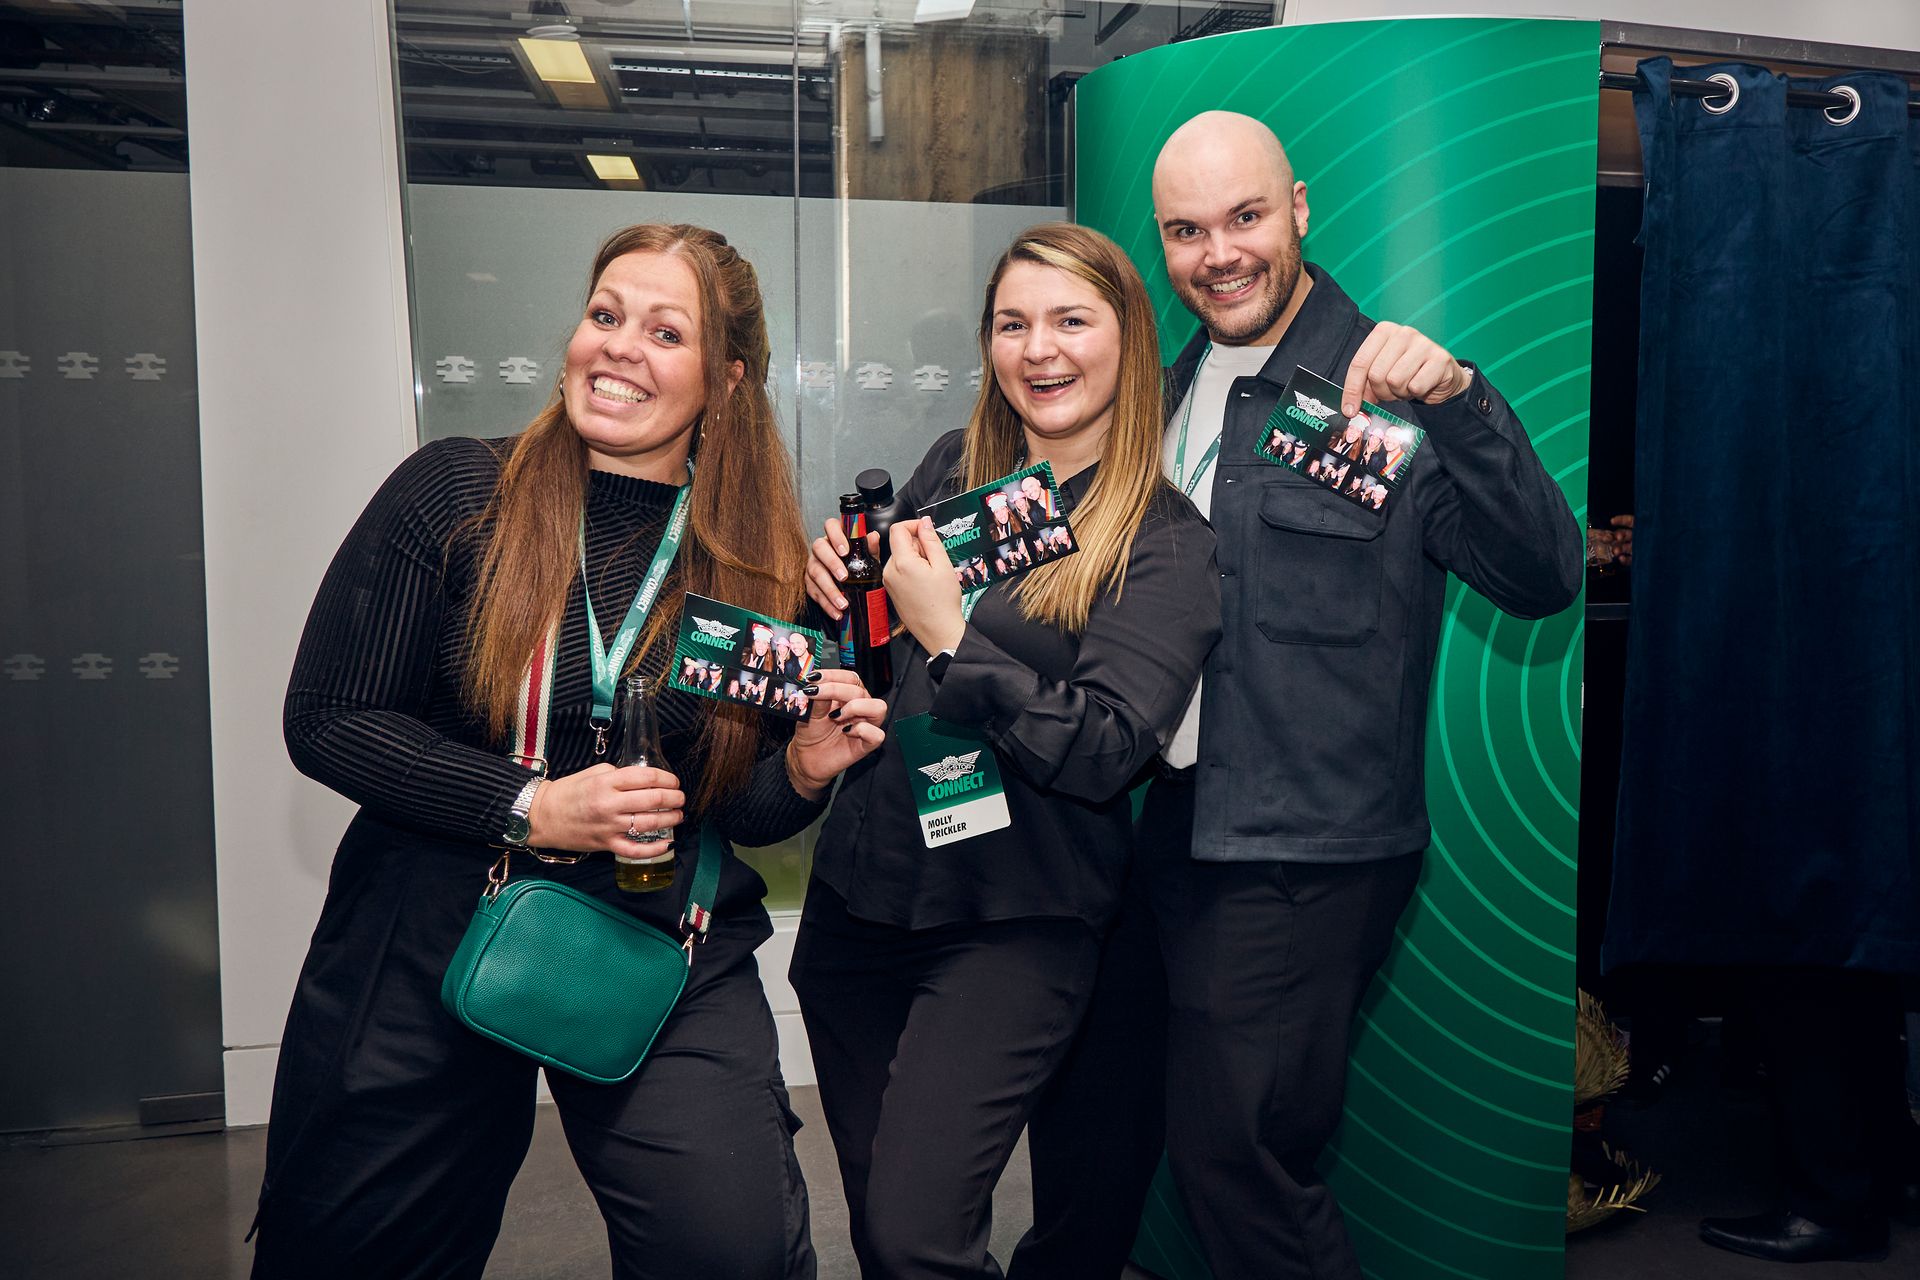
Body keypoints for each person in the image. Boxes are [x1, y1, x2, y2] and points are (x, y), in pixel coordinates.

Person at [255, 223, 888, 1280]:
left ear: (727, 380)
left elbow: (738, 808)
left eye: (666, 332)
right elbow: (329, 716)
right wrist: (532, 805)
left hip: (660, 937)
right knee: (354, 1247)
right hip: (430, 923)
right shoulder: (456, 492)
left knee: (730, 1251)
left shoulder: (756, 565)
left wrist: (805, 769)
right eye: (605, 315)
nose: (620, 347)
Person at [1011, 111, 1583, 1280]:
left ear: (1300, 209)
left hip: (1302, 850)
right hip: (1152, 824)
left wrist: (1460, 398)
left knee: (1238, 1159)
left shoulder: (1391, 388)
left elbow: (1541, 574)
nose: (1219, 253)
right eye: (1187, 230)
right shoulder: (1157, 394)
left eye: (1246, 217)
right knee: (1090, 1129)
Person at [790, 222, 1221, 1279]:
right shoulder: (954, 466)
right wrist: (838, 589)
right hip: (863, 899)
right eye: (1013, 323)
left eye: (1071, 320)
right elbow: (878, 662)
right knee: (889, 1236)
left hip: (1012, 919)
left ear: (1128, 339)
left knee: (915, 1235)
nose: (1040, 349)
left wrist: (951, 633)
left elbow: (1108, 748)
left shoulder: (1166, 540)